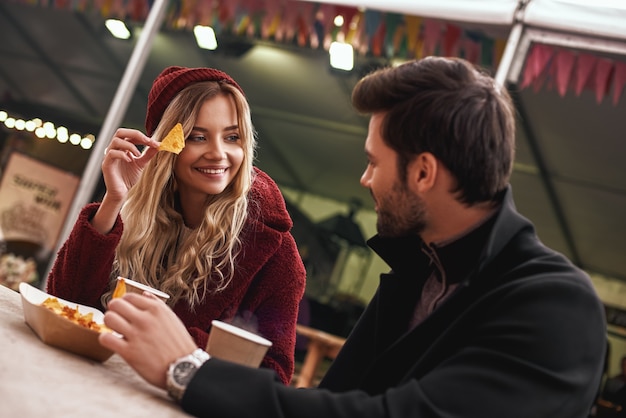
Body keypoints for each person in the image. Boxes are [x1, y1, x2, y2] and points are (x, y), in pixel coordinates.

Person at [99, 56, 607, 417]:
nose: (365, 180)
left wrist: (187, 367)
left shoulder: (555, 305)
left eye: (373, 162)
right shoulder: (417, 272)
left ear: (423, 173)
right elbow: (338, 398)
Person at [45, 66, 306, 385]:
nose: (218, 153)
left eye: (232, 137)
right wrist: (114, 202)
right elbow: (63, 305)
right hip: (88, 388)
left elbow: (273, 378)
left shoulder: (275, 253)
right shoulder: (133, 213)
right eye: (198, 136)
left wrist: (174, 348)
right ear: (166, 144)